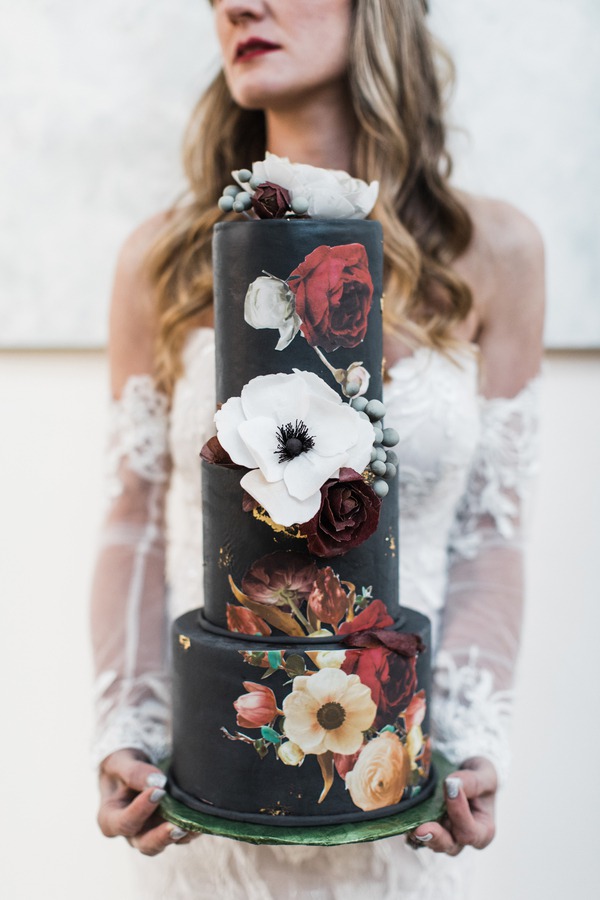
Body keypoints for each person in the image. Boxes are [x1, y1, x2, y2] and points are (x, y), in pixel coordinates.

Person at [90, 1, 545, 896]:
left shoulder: (496, 253)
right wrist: (126, 732)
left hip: (395, 799)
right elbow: (135, 525)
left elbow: (491, 534)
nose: (235, 4)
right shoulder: (165, 260)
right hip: (213, 799)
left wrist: (468, 744)